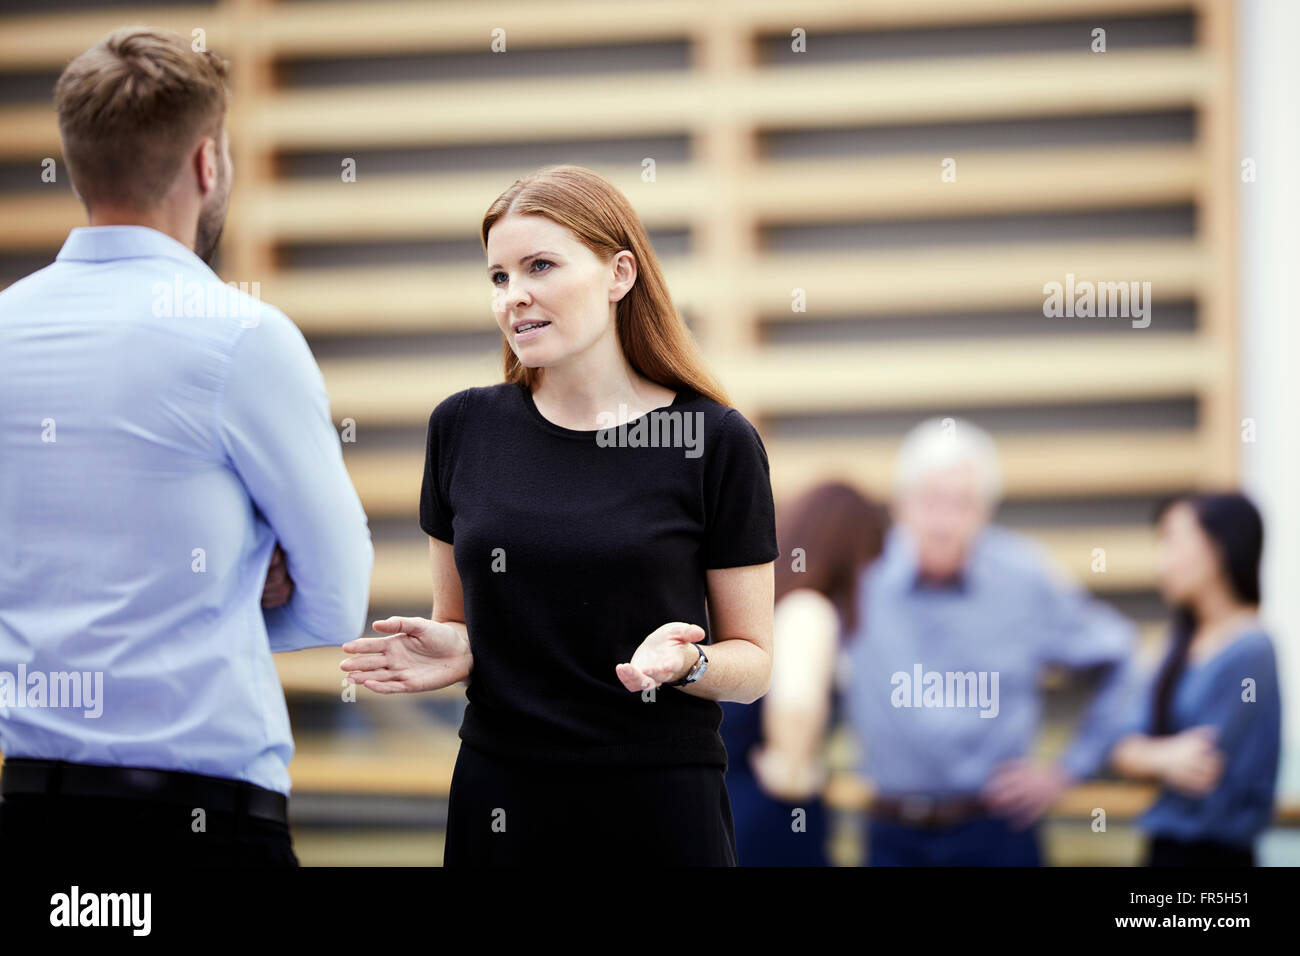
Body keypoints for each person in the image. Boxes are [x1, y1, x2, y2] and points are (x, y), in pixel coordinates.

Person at [0, 27, 373, 866]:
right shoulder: (242, 337)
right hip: (203, 826)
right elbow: (336, 598)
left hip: (32, 817)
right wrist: (223, 595)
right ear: (208, 163)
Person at [340, 164, 778, 867]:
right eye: (499, 277)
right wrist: (458, 647)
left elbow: (754, 664)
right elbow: (459, 621)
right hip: (502, 798)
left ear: (620, 274)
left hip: (660, 803)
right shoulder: (462, 428)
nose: (515, 296)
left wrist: (687, 664)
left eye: (539, 266)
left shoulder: (714, 441)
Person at [845, 416, 1138, 866]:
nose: (943, 523)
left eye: (962, 505)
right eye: (930, 502)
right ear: (901, 505)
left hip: (995, 831)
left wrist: (1068, 770)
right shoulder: (862, 578)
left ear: (986, 511)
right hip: (889, 831)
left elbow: (1121, 655)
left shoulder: (1023, 577)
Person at [1108, 492, 1281, 866]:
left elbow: (1200, 766)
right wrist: (1156, 757)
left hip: (1215, 855)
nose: (1162, 563)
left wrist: (1145, 754)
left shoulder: (1250, 650)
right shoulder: (1179, 645)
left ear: (1217, 547)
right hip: (1165, 849)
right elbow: (1119, 745)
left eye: (1173, 541)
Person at [721, 482, 886, 865]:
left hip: (731, 806)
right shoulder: (810, 610)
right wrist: (796, 773)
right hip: (772, 813)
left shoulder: (761, 605)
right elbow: (796, 705)